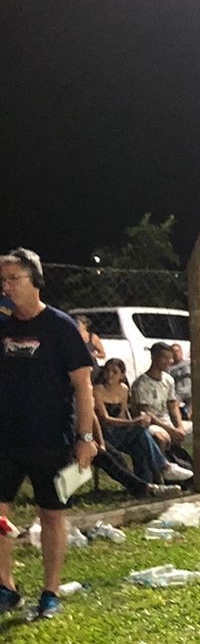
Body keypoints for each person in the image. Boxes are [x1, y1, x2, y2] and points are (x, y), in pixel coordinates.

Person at [0, 248, 97, 619]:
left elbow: (83, 386)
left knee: (51, 515)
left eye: (14, 279)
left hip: (49, 437)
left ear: (35, 280)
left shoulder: (60, 327)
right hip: (6, 438)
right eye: (3, 280)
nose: (7, 287)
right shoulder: (3, 323)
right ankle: (6, 587)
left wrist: (85, 438)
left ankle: (50, 591)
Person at [95, 358, 191, 486]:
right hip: (106, 433)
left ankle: (146, 483)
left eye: (114, 372)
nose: (110, 375)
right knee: (139, 432)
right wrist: (133, 423)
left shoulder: (123, 389)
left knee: (139, 443)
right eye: (107, 371)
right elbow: (105, 418)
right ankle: (164, 466)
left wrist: (134, 423)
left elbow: (123, 413)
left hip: (120, 430)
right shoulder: (97, 390)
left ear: (122, 375)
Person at [130, 343, 193, 467]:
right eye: (165, 358)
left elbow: (173, 406)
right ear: (153, 357)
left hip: (168, 421)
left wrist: (179, 427)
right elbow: (146, 415)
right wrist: (171, 431)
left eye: (170, 358)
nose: (169, 361)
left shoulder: (169, 379)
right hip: (151, 424)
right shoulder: (142, 383)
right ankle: (160, 477)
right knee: (160, 438)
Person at [167, 342, 192, 417]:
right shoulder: (168, 368)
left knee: (195, 400)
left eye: (177, 351)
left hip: (190, 391)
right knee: (173, 404)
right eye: (173, 351)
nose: (176, 353)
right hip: (177, 392)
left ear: (181, 352)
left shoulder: (189, 363)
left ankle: (189, 417)